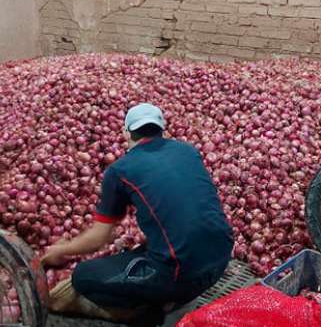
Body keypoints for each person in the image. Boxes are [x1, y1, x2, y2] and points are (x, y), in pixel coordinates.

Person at [41, 103, 234, 324]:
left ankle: (148, 315)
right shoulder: (187, 150)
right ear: (162, 128)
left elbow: (99, 238)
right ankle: (170, 295)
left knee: (83, 276)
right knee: (146, 251)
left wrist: (63, 250)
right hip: (221, 260)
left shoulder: (121, 170)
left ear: (126, 132)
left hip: (184, 276)